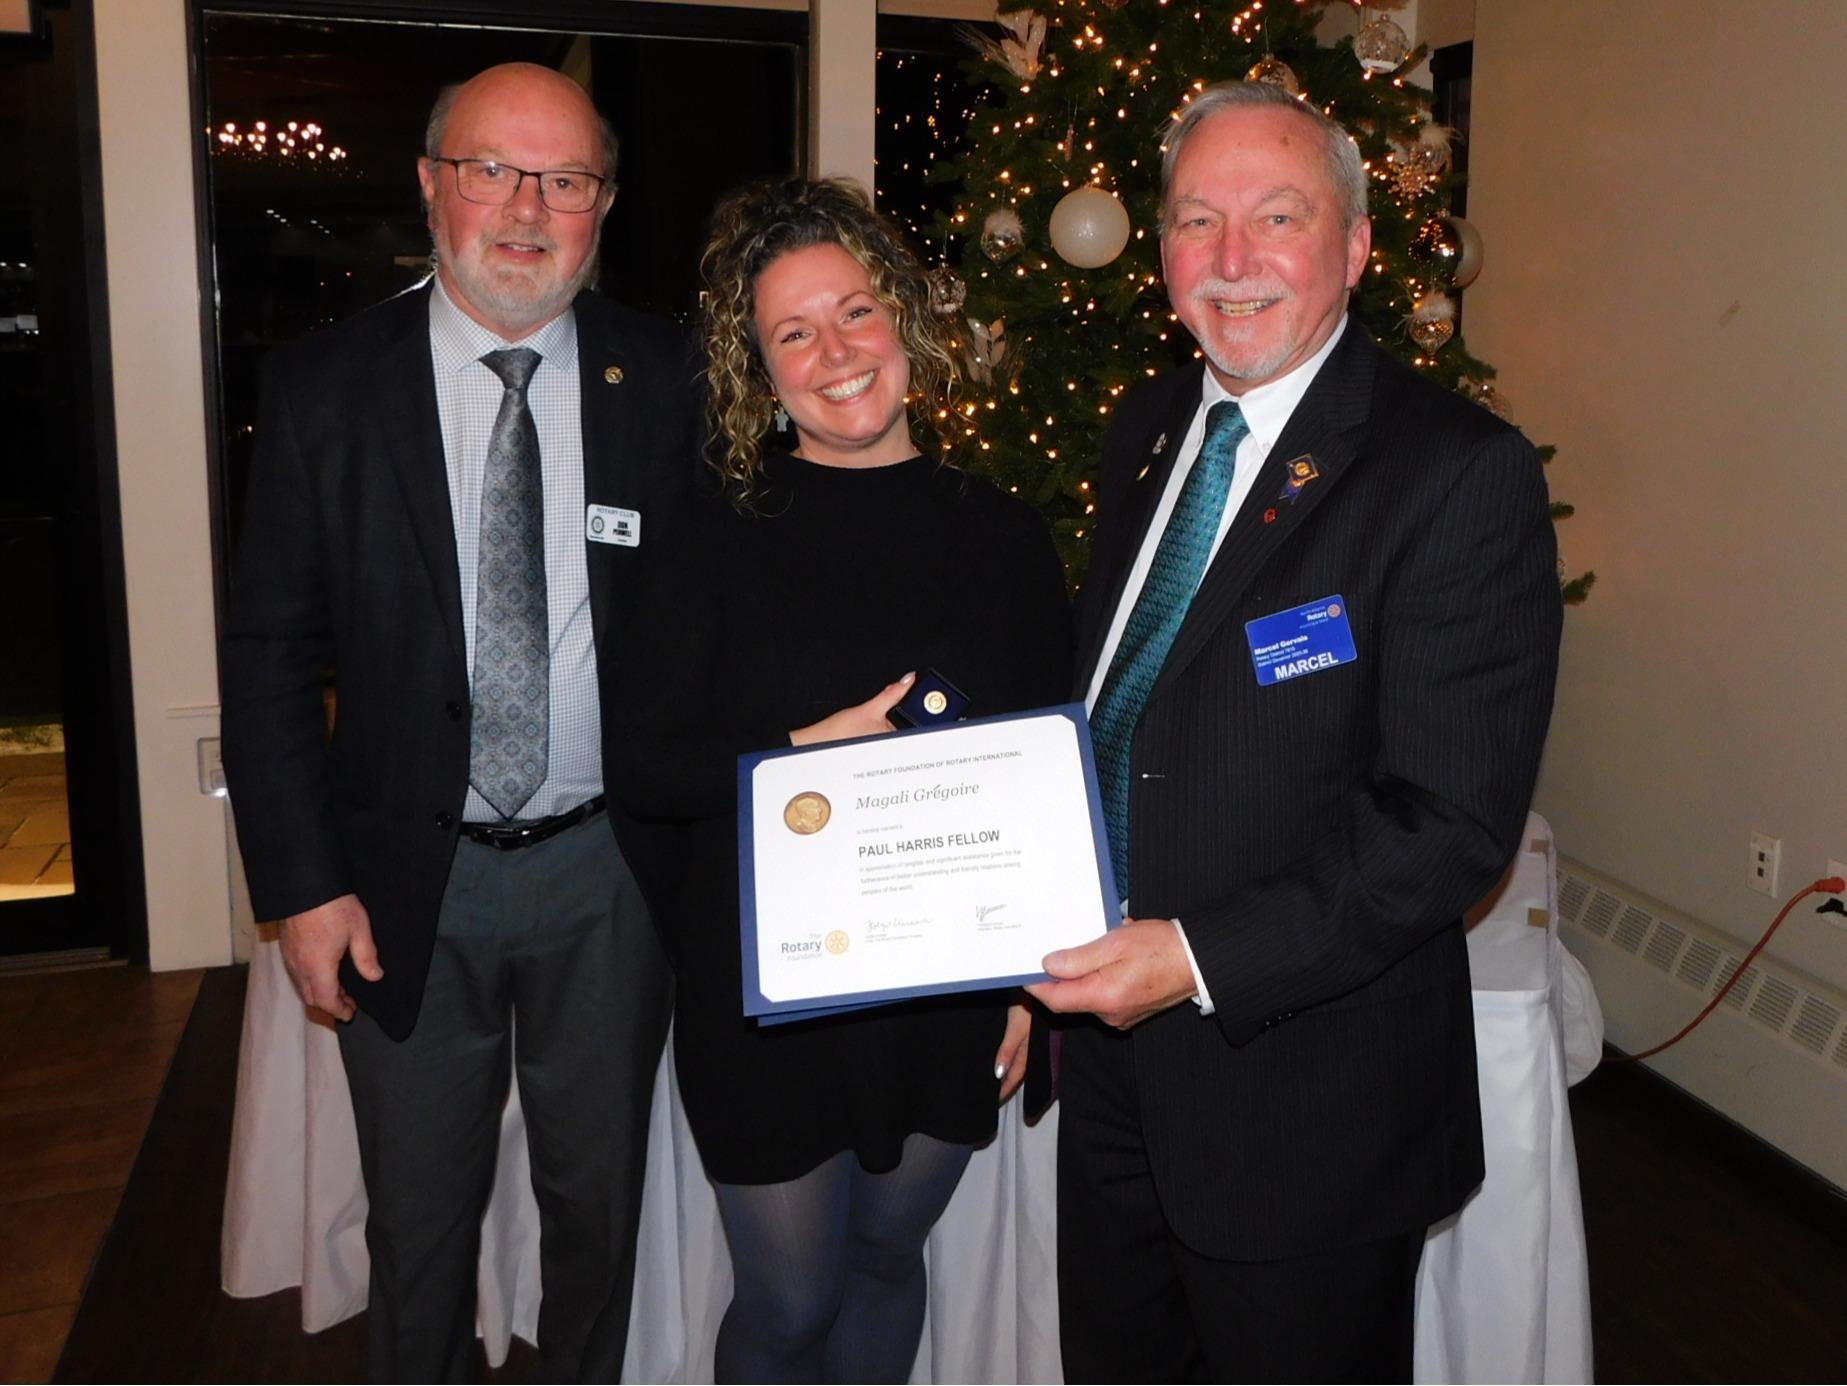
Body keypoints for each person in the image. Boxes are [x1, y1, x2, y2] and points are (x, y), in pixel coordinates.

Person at [1025, 80, 1563, 1382]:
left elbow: (1448, 823)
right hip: (1109, 1072)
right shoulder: (1146, 427)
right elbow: (1123, 709)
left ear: (1356, 245)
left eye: (1276, 216)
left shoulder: (1453, 472)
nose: (1230, 259)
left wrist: (1192, 955)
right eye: (1194, 220)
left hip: (1303, 1100)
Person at [220, 62, 697, 1381]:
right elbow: (268, 652)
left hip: (610, 881)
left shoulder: (668, 379)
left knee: (599, 1214)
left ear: (603, 204)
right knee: (419, 1226)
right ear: (432, 185)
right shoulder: (324, 388)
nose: (527, 208)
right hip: (400, 884)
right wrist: (301, 887)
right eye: (493, 169)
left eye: (565, 179)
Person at [607, 176, 1070, 1383]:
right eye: (794, 333)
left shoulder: (1005, 537)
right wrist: (800, 756)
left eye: (855, 312)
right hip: (769, 991)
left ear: (902, 319)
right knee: (787, 1302)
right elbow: (642, 765)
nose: (836, 353)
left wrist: (1035, 984)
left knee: (883, 1261)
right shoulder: (708, 532)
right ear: (760, 370)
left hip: (946, 984)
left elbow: (1047, 776)